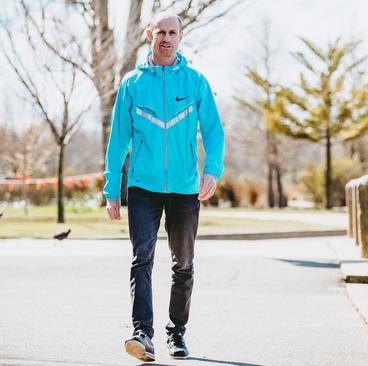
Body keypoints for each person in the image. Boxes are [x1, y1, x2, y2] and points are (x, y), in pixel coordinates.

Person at [103, 11, 224, 362]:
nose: (166, 38)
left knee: (182, 264)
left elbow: (214, 132)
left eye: (173, 32)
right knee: (142, 259)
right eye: (161, 32)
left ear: (181, 38)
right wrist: (113, 190)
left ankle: (177, 333)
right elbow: (118, 141)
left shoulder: (195, 81)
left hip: (186, 188)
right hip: (143, 186)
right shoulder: (132, 83)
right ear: (149, 35)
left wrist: (212, 171)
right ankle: (142, 332)